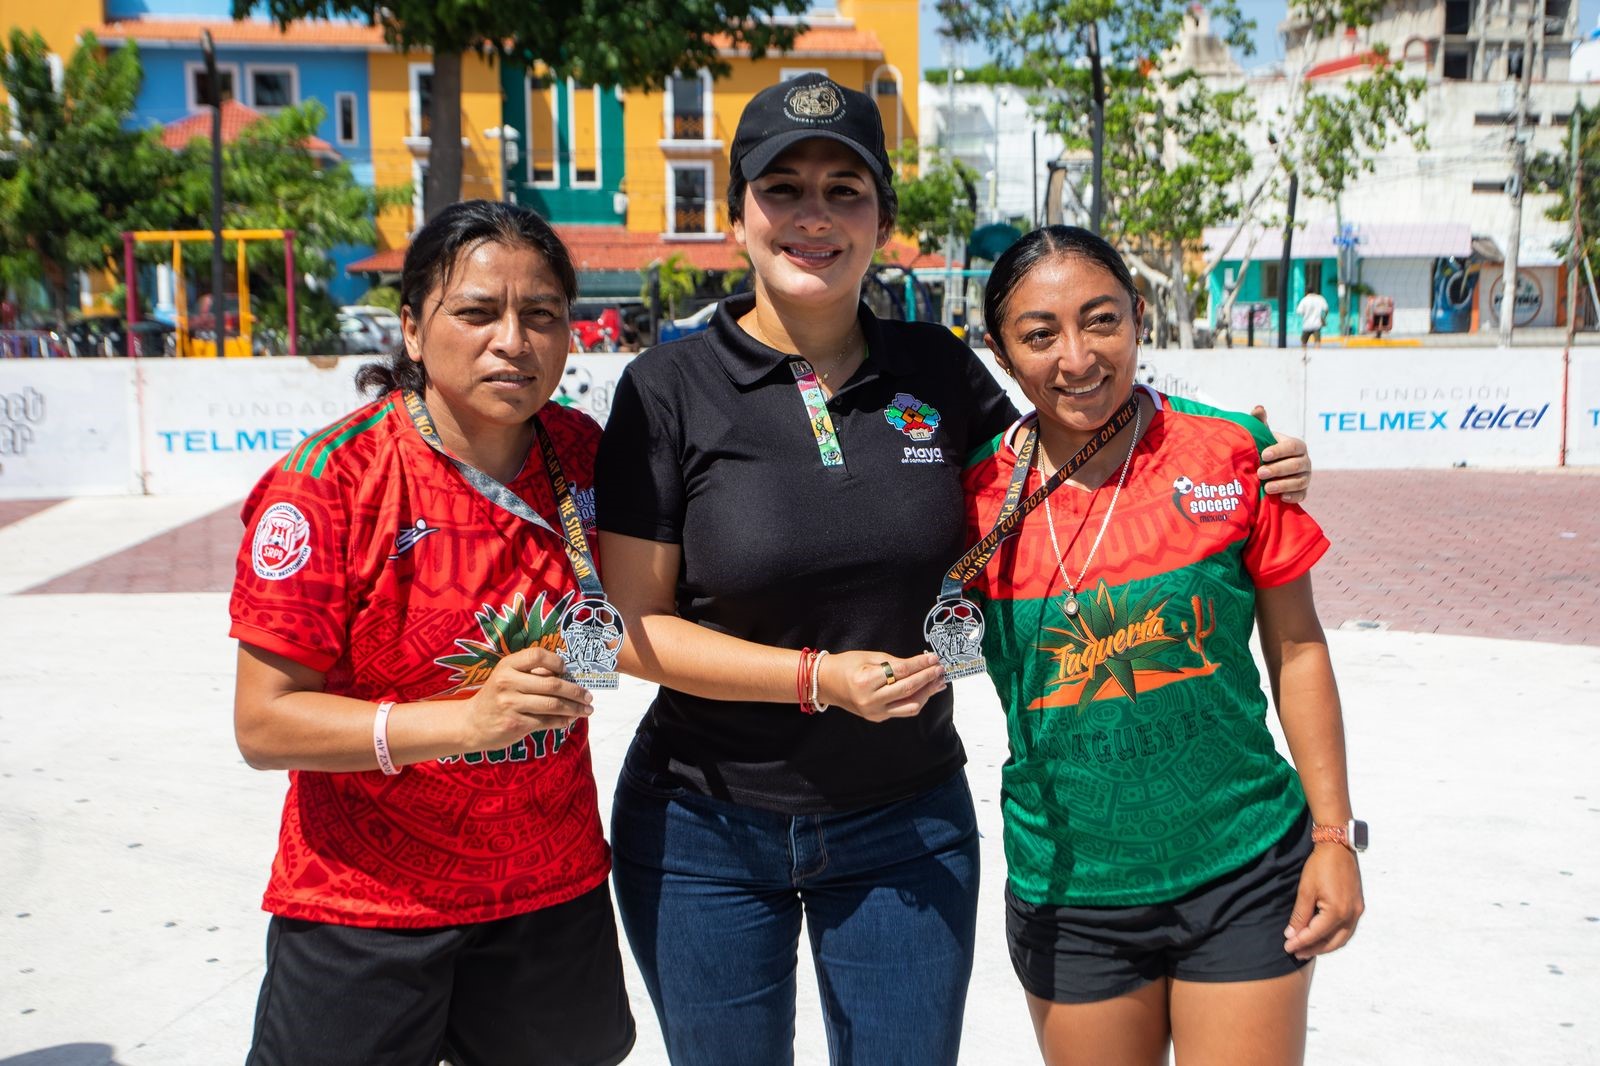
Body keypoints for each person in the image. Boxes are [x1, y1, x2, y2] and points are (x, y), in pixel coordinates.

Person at [593, 73, 1315, 1065]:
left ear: (882, 219)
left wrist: (1241, 453)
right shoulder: (666, 387)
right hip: (704, 830)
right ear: (737, 217)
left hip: (903, 820)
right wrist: (817, 679)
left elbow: (1067, 449)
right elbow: (631, 629)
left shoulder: (934, 367)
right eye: (784, 188)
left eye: (844, 190)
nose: (815, 216)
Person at [229, 200, 634, 1066]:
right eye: (478, 313)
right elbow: (265, 725)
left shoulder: (585, 455)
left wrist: (586, 664)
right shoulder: (327, 484)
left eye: (543, 316)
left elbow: (613, 629)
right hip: (366, 908)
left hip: (549, 892)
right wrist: (465, 724)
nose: (513, 342)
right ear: (413, 329)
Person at [966, 225, 1363, 1066]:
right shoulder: (969, 498)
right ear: (1000, 354)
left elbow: (1299, 649)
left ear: (1140, 318)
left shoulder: (1232, 453)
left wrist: (1335, 837)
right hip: (1071, 891)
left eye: (1101, 320)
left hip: (1244, 865)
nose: (1077, 358)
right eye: (1040, 335)